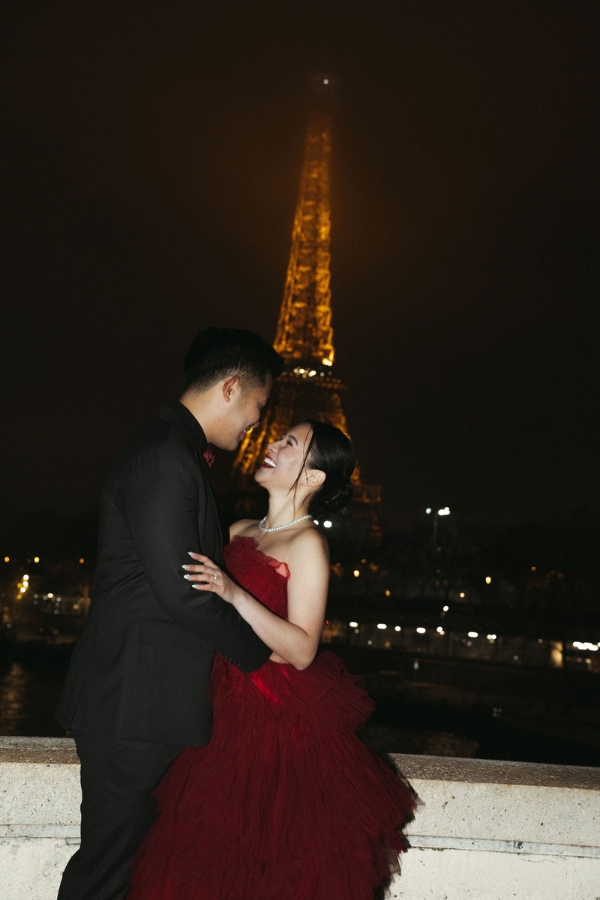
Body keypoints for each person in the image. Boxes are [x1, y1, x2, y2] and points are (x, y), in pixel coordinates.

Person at [128, 419, 417, 900]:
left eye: (290, 444)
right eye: (279, 437)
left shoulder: (307, 544)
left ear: (313, 477)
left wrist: (232, 592)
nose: (272, 445)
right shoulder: (240, 531)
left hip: (276, 725)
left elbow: (302, 650)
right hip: (221, 709)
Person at [55, 328, 285, 900]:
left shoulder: (169, 450)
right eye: (259, 405)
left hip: (142, 700)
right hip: (134, 704)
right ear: (231, 387)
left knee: (119, 872)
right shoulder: (163, 456)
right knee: (105, 875)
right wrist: (265, 662)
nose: (257, 422)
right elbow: (183, 593)